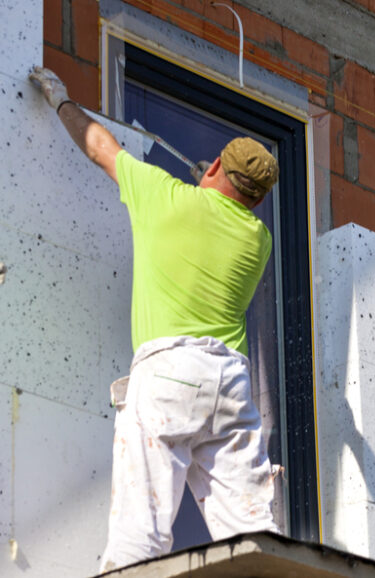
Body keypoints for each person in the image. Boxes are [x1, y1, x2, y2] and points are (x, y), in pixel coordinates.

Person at [28, 66, 281, 572]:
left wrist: (60, 100)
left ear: (214, 172)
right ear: (258, 199)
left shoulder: (162, 197)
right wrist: (208, 189)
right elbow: (222, 212)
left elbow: (100, 146)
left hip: (169, 375)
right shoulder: (259, 240)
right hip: (229, 385)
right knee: (253, 534)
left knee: (139, 535)